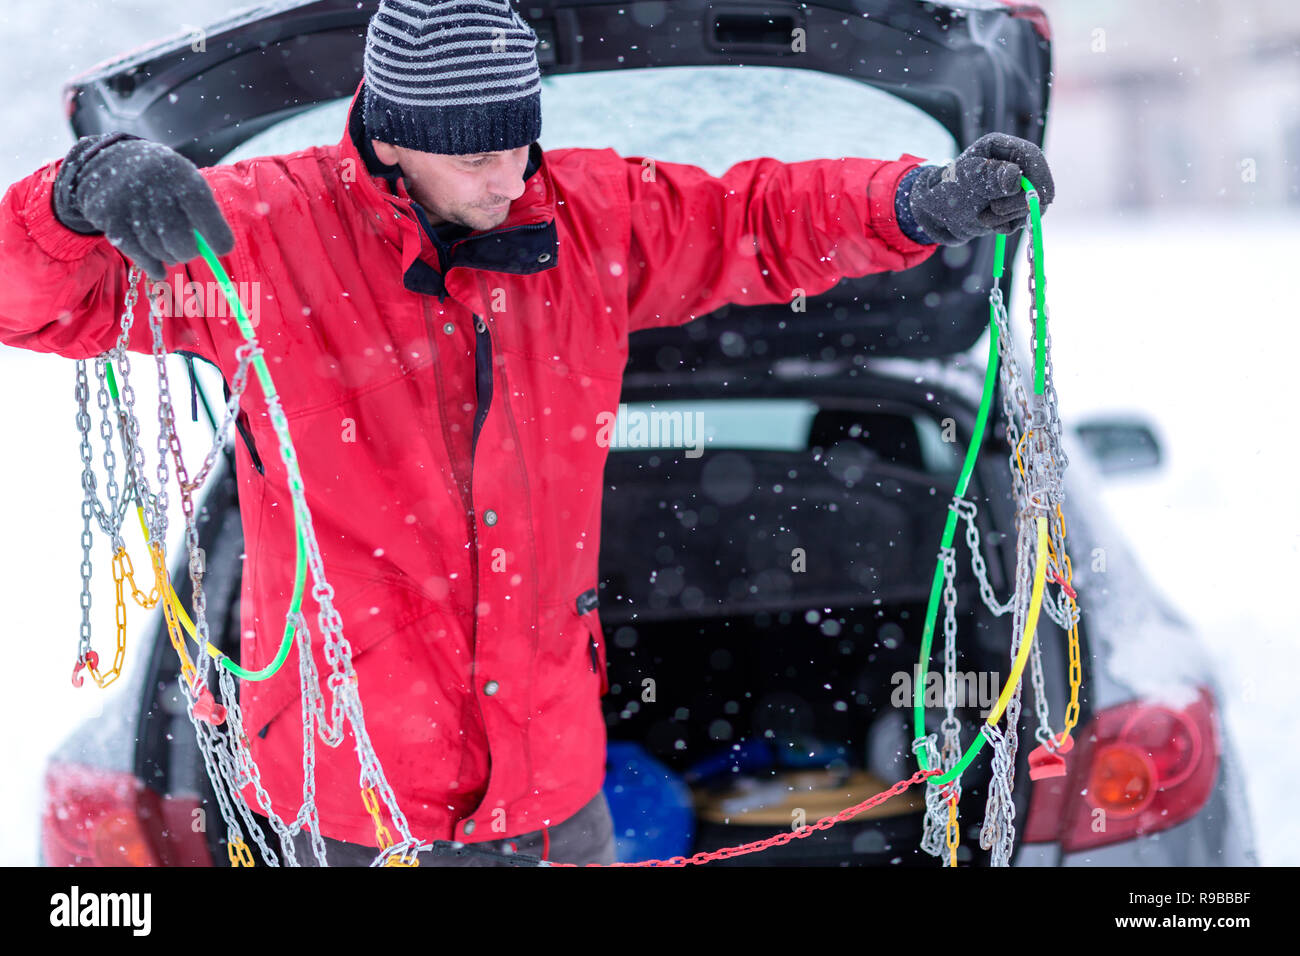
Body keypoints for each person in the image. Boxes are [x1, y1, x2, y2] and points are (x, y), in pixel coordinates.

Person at [0, 0, 1053, 867]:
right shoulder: (266, 233)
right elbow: (40, 302)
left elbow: (755, 218)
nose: (512, 176)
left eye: (521, 139)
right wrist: (77, 198)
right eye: (480, 156)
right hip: (344, 795)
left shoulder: (581, 214)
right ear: (400, 136)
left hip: (553, 787)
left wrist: (914, 200)